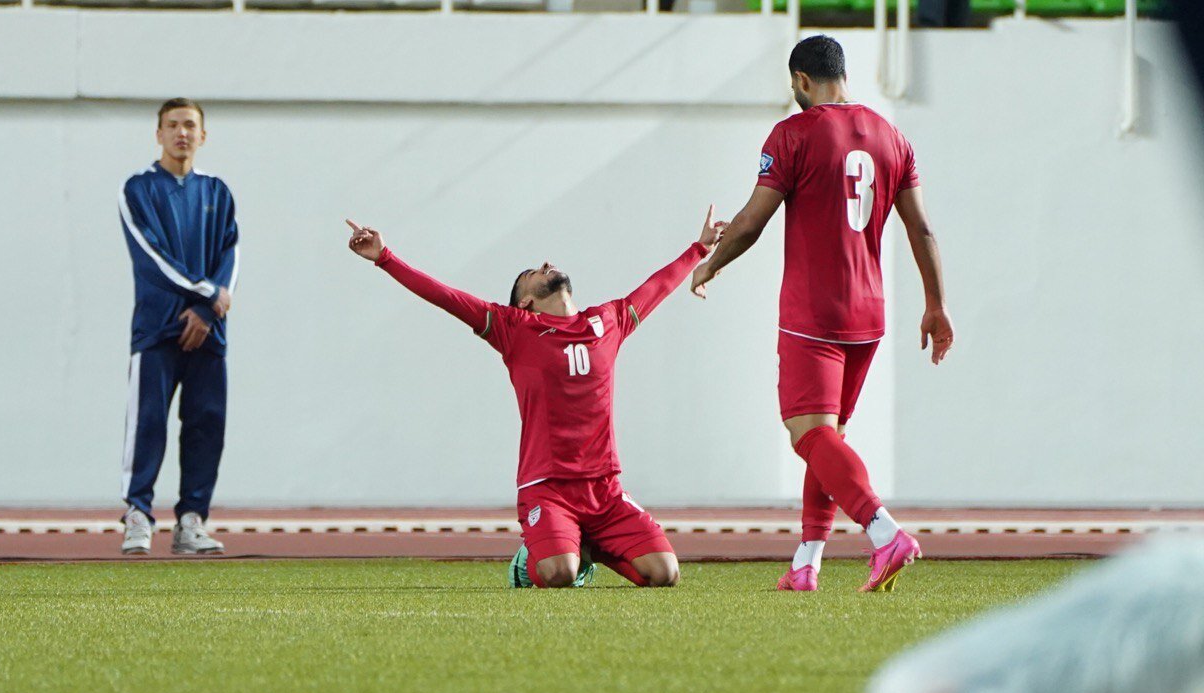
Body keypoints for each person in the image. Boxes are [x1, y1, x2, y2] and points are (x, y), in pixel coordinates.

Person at [689, 35, 954, 593]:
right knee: (827, 437)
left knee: (808, 435)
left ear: (803, 81)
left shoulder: (793, 134)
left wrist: (711, 263)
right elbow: (921, 227)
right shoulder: (892, 137)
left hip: (813, 313)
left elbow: (753, 220)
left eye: (793, 87)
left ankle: (885, 536)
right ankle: (806, 562)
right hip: (869, 311)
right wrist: (936, 303)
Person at [344, 208, 729, 588]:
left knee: (665, 574)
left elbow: (656, 287)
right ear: (524, 301)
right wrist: (385, 258)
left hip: (605, 489)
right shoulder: (515, 328)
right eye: (531, 273)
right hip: (547, 487)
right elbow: (446, 297)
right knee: (557, 575)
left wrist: (699, 249)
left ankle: (586, 546)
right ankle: (532, 562)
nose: (545, 264)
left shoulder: (609, 320)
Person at [118, 99, 240, 556]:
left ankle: (192, 520)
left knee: (206, 424)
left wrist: (208, 314)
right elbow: (149, 258)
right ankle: (137, 515)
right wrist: (207, 295)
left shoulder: (219, 192)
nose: (181, 133)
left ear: (203, 135)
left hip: (209, 331)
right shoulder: (137, 190)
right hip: (157, 330)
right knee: (147, 422)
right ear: (159, 134)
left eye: (190, 125)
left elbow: (231, 254)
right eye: (172, 125)